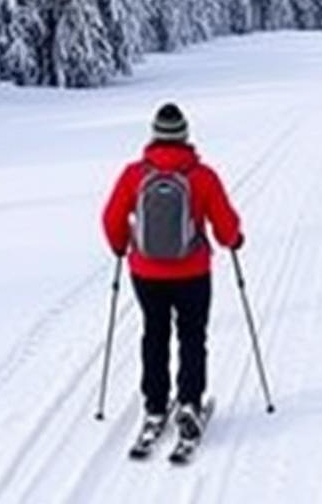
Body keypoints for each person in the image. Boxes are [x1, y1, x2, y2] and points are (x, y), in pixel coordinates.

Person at [102, 103, 243, 445]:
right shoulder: (202, 176)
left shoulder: (134, 175)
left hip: (146, 272)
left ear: (154, 135)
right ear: (185, 136)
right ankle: (190, 402)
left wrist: (121, 246)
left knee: (155, 333)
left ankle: (155, 405)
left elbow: (111, 218)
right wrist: (234, 239)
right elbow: (225, 225)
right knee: (192, 335)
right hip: (192, 272)